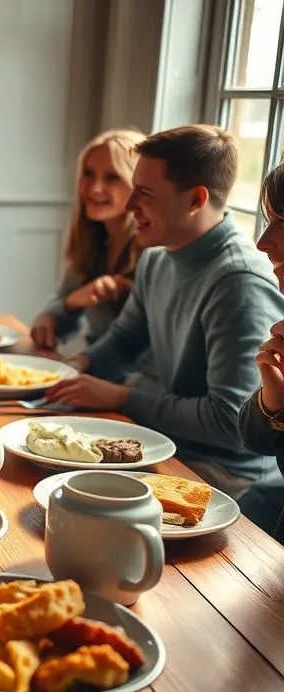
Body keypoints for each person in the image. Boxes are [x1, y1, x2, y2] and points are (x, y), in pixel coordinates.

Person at [46, 125, 284, 498]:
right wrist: (76, 366)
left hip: (228, 477)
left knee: (64, 497)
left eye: (144, 193)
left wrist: (121, 397)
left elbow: (229, 422)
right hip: (170, 444)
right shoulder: (155, 260)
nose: (128, 206)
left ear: (194, 200)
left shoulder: (239, 282)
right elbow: (124, 341)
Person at [32, 129, 146, 350]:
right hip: (94, 371)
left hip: (132, 382)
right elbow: (61, 306)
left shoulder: (154, 254)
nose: (94, 188)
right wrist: (65, 306)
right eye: (88, 173)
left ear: (140, 186)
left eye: (112, 177)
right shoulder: (92, 243)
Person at [238, 161, 284, 535]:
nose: (263, 242)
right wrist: (274, 402)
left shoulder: (241, 281)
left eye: (283, 223)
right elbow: (255, 436)